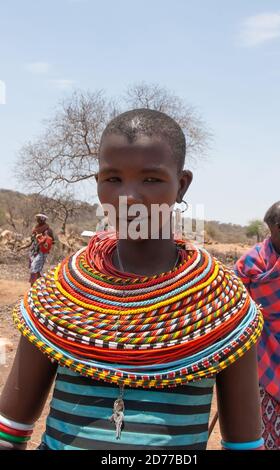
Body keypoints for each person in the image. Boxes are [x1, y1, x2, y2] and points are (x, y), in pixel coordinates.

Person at [0, 109, 264, 451]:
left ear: (181, 184)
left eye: (151, 179)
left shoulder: (222, 306)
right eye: (113, 179)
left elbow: (244, 445)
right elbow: (10, 431)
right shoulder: (61, 294)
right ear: (97, 184)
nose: (129, 197)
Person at [235, 200, 280, 450]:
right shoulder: (250, 263)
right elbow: (236, 302)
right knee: (264, 404)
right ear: (278, 228)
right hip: (262, 348)